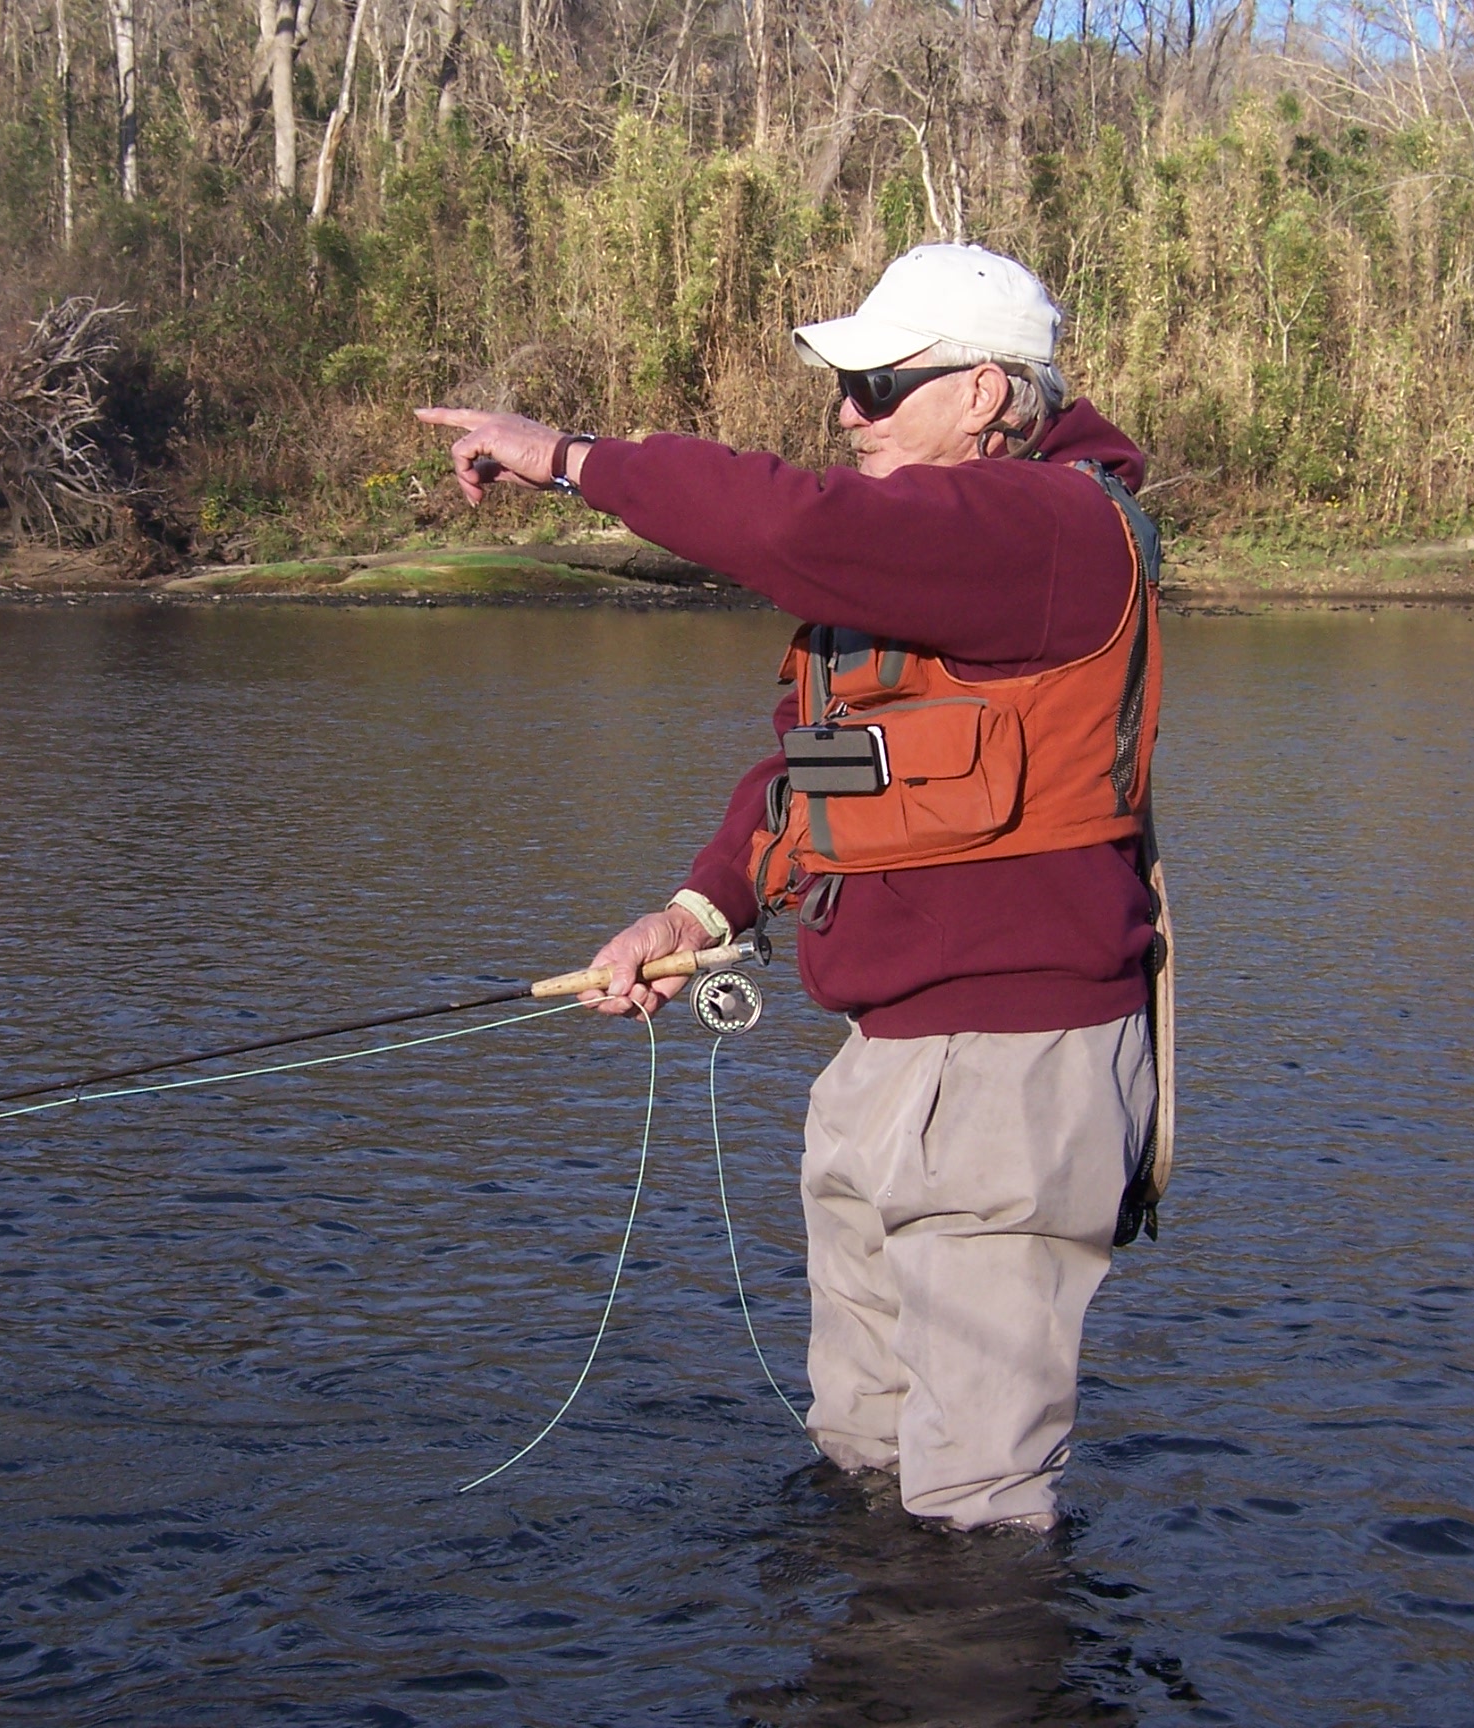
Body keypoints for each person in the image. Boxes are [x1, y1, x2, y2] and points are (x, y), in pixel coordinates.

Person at [418, 241, 1172, 1534]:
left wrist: (570, 458)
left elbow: (785, 523)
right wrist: (699, 912)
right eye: (849, 386)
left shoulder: (1053, 532)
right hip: (887, 1064)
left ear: (988, 393)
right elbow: (815, 769)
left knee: (976, 1519)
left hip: (1008, 1078)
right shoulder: (927, 568)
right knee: (864, 1469)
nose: (848, 412)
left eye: (880, 383)